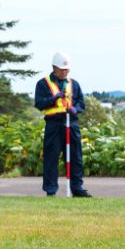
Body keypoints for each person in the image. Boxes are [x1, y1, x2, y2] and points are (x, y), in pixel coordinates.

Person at [34, 52, 92, 198]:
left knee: (75, 157)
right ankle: (51, 190)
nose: (64, 72)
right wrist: (52, 99)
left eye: (67, 70)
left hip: (71, 123)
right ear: (54, 68)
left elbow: (81, 104)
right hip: (54, 124)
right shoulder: (43, 83)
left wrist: (75, 109)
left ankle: (77, 188)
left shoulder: (74, 84)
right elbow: (39, 104)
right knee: (51, 157)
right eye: (62, 69)